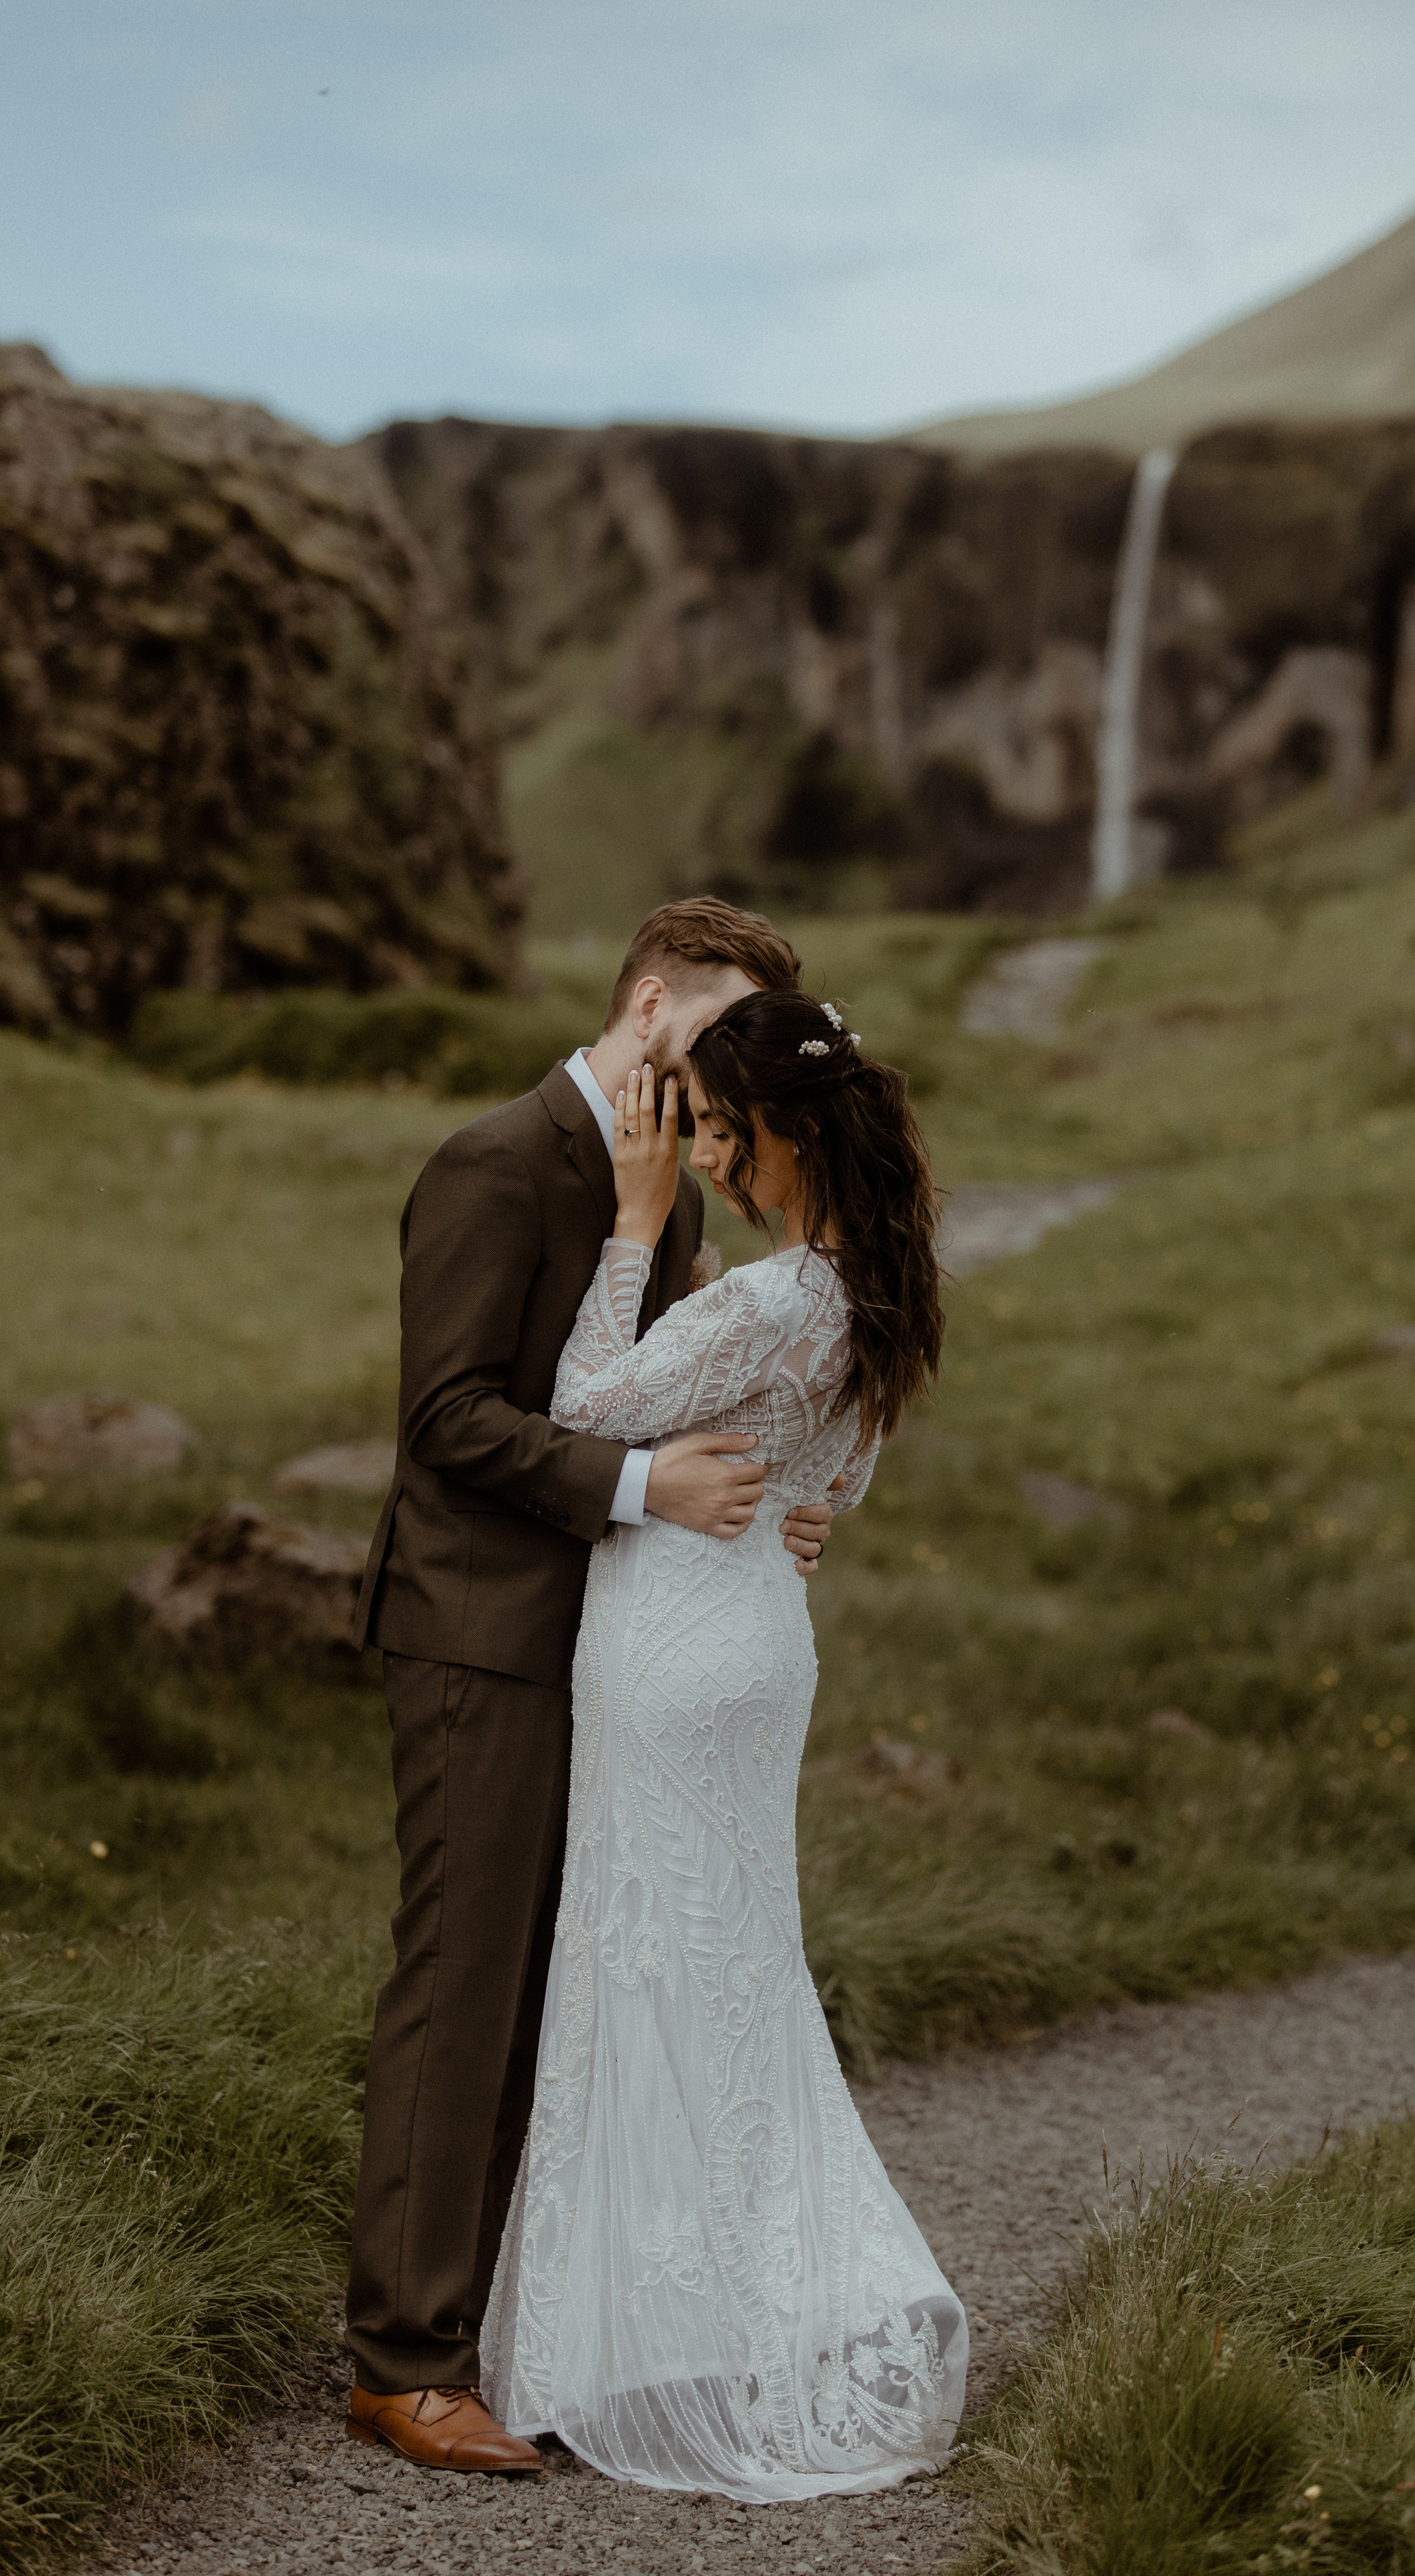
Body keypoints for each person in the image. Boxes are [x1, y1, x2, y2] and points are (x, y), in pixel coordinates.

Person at [345, 900, 840, 2476]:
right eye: (713, 1031)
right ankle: (403, 2366)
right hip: (480, 1635)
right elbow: (446, 1419)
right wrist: (644, 1490)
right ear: (643, 1010)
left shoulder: (662, 1174)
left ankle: (507, 2328)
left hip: (616, 1648)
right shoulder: (493, 1163)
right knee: (464, 1984)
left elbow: (671, 1386)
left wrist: (776, 1498)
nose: (728, 1067)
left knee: (558, 1992)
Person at [479, 987, 967, 2499]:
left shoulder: (765, 1305)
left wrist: (634, 1233)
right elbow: (836, 1489)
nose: (696, 1155)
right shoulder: (869, 1289)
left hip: (674, 1654)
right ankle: (699, 2313)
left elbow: (580, 1406)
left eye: (714, 1130)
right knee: (733, 1971)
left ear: (788, 1132)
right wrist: (793, 1500)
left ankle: (634, 2335)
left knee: (648, 1966)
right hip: (759, 1638)